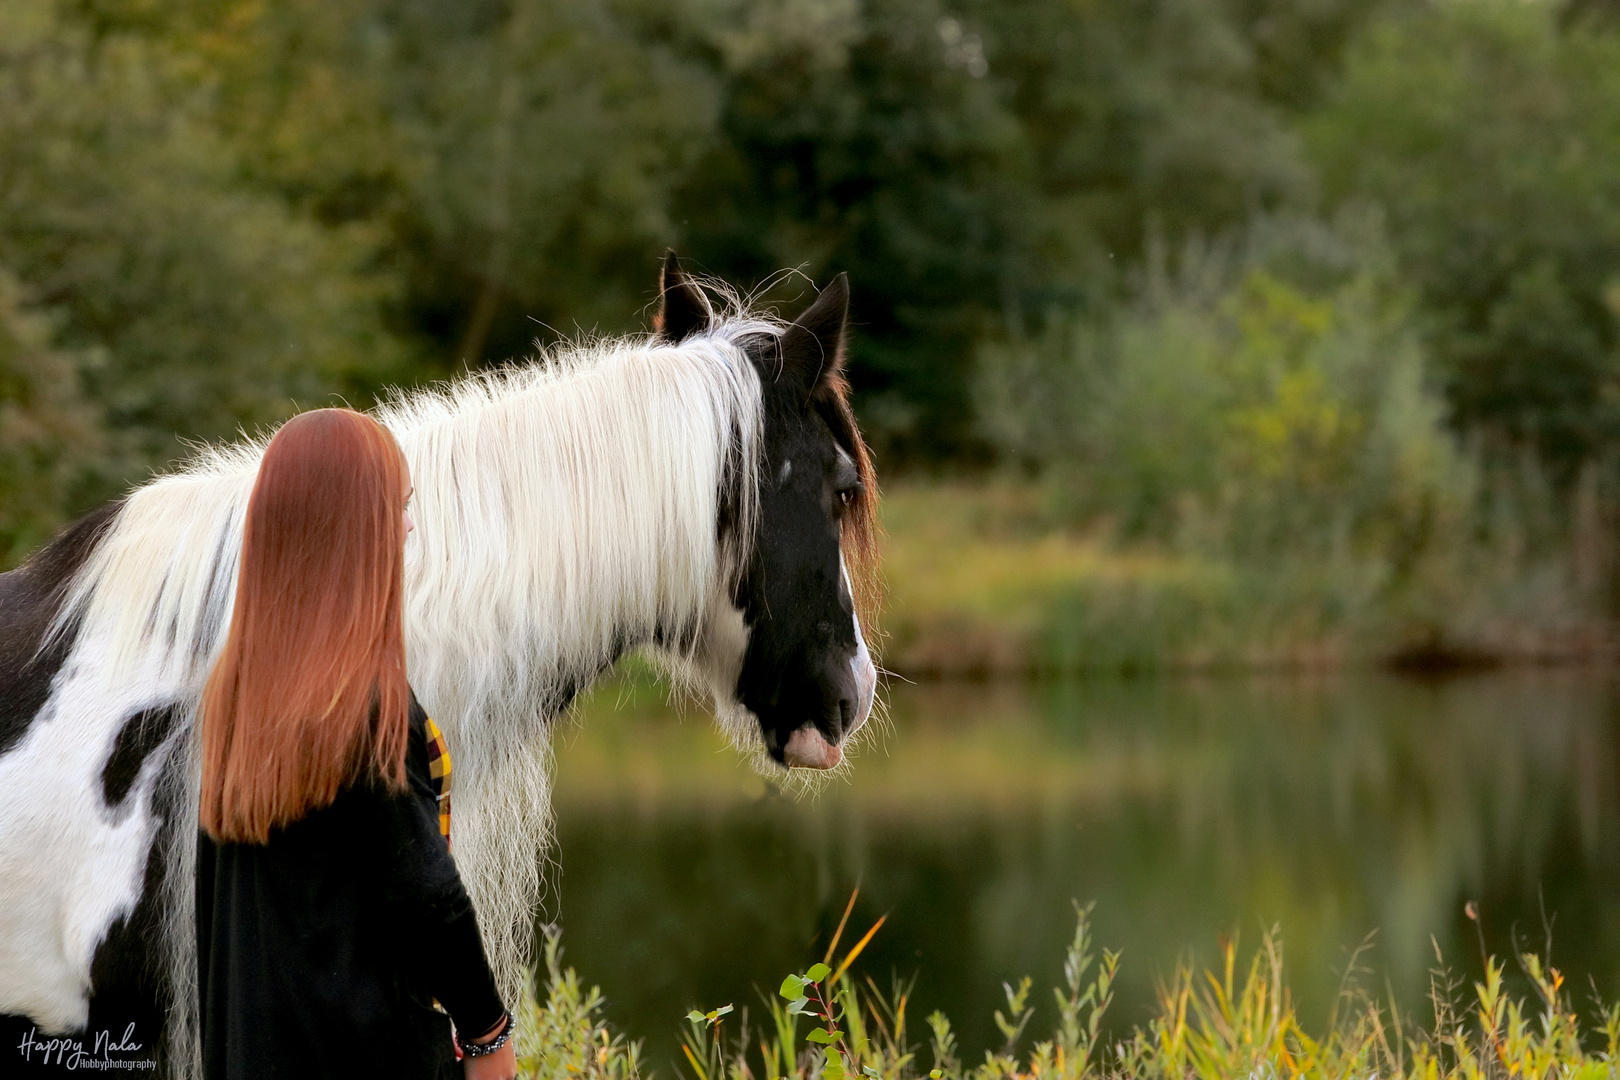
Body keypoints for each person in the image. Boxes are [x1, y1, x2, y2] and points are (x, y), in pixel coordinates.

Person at [195, 408, 517, 1080]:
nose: (407, 527)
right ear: (352, 528)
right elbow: (430, 896)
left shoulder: (235, 693)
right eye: (395, 507)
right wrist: (488, 1034)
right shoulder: (364, 708)